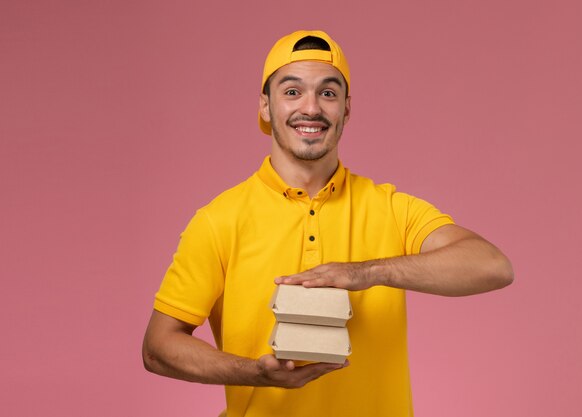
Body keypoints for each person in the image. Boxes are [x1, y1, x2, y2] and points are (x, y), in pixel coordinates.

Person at [142, 30, 513, 417]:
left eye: (328, 93)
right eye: (291, 92)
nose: (312, 108)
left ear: (347, 109)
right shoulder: (219, 221)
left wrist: (367, 272)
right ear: (265, 107)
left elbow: (492, 265)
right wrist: (254, 373)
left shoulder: (390, 208)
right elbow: (158, 346)